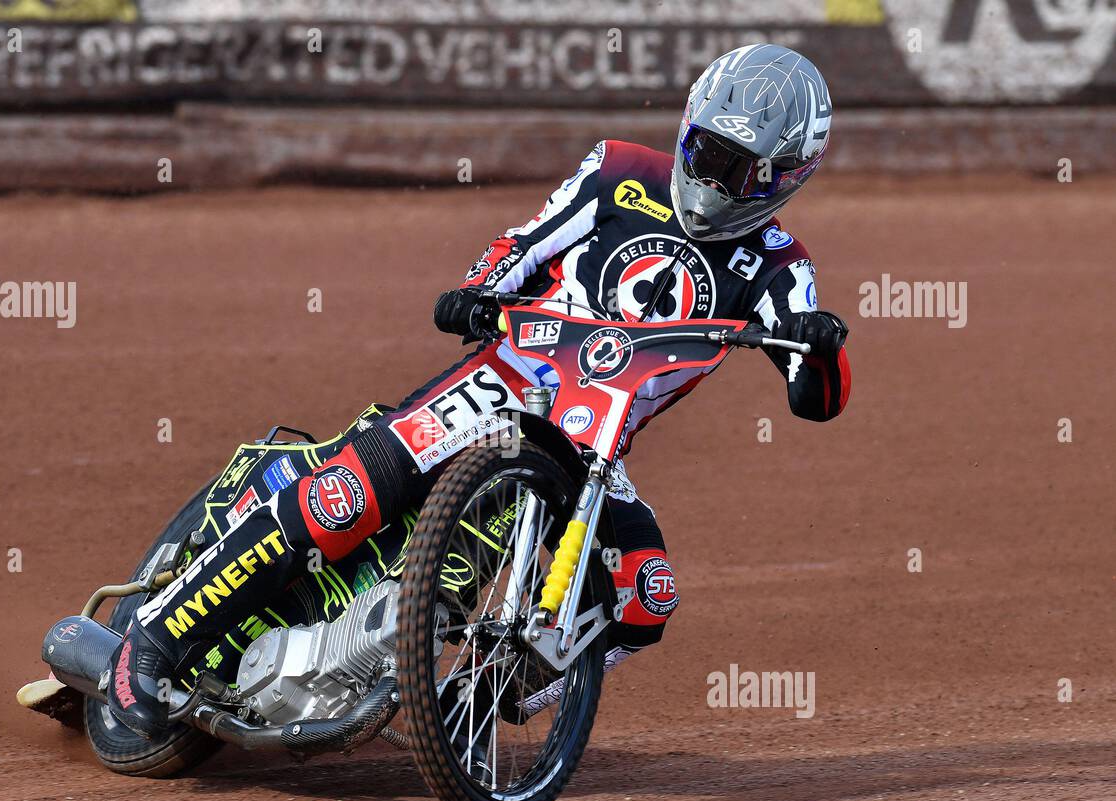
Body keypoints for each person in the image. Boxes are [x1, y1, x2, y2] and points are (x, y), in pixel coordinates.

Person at [108, 43, 851, 738]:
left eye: (740, 171)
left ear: (786, 177)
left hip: (593, 444)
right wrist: (476, 292)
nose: (715, 180)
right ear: (687, 129)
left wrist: (819, 348)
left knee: (645, 598)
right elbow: (525, 241)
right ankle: (155, 637)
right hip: (508, 377)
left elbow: (812, 391)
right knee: (350, 495)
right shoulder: (618, 171)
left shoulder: (782, 266)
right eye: (706, 154)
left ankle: (474, 710)